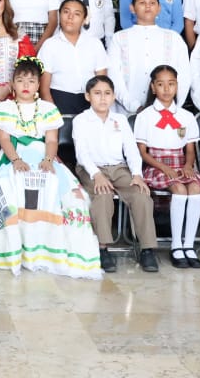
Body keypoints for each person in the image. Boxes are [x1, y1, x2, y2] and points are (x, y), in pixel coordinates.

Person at [0, 57, 102, 279]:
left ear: (38, 84)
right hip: (13, 157)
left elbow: (51, 140)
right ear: (12, 84)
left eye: (31, 81)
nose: (25, 85)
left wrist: (48, 160)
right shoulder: (4, 108)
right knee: (11, 188)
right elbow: (4, 139)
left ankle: (49, 247)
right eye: (20, 80)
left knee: (68, 193)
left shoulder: (47, 108)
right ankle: (16, 245)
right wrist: (16, 160)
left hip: (43, 157)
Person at [71, 75, 158, 273]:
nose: (103, 98)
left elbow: (131, 150)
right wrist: (96, 175)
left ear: (113, 96)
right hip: (92, 169)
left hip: (120, 168)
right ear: (87, 96)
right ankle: (103, 249)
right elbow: (82, 153)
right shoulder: (81, 120)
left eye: (107, 93)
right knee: (103, 196)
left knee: (141, 194)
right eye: (97, 93)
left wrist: (137, 174)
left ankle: (147, 249)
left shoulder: (120, 119)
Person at [133, 65, 200, 269]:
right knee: (179, 188)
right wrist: (164, 168)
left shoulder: (186, 116)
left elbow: (190, 149)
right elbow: (142, 152)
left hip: (180, 164)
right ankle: (176, 246)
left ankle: (189, 246)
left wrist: (189, 165)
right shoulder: (145, 116)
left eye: (171, 84)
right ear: (153, 87)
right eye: (161, 84)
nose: (166, 89)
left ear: (177, 86)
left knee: (194, 188)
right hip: (155, 165)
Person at [107, 0, 190, 114]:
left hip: (166, 113)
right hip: (126, 112)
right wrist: (133, 106)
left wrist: (174, 106)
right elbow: (114, 76)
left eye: (152, 3)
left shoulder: (174, 38)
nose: (147, 7)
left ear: (159, 8)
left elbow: (184, 75)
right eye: (142, 3)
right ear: (132, 8)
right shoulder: (119, 37)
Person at [37, 0, 106, 115]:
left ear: (84, 19)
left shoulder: (95, 44)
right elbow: (44, 89)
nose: (70, 17)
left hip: (90, 102)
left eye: (77, 14)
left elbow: (102, 82)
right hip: (59, 100)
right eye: (66, 12)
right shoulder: (49, 45)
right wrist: (53, 115)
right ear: (59, 15)